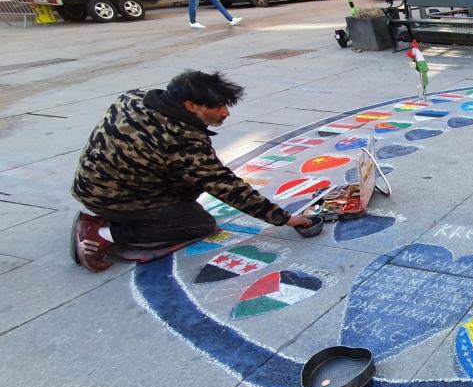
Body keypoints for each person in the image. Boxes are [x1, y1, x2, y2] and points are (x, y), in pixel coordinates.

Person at [70, 70, 312, 272]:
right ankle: (101, 234)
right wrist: (284, 218)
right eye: (217, 107)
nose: (225, 113)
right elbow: (225, 186)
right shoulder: (181, 138)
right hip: (116, 197)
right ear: (190, 105)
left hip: (91, 183)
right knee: (199, 225)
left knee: (188, 192)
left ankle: (113, 216)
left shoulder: (134, 98)